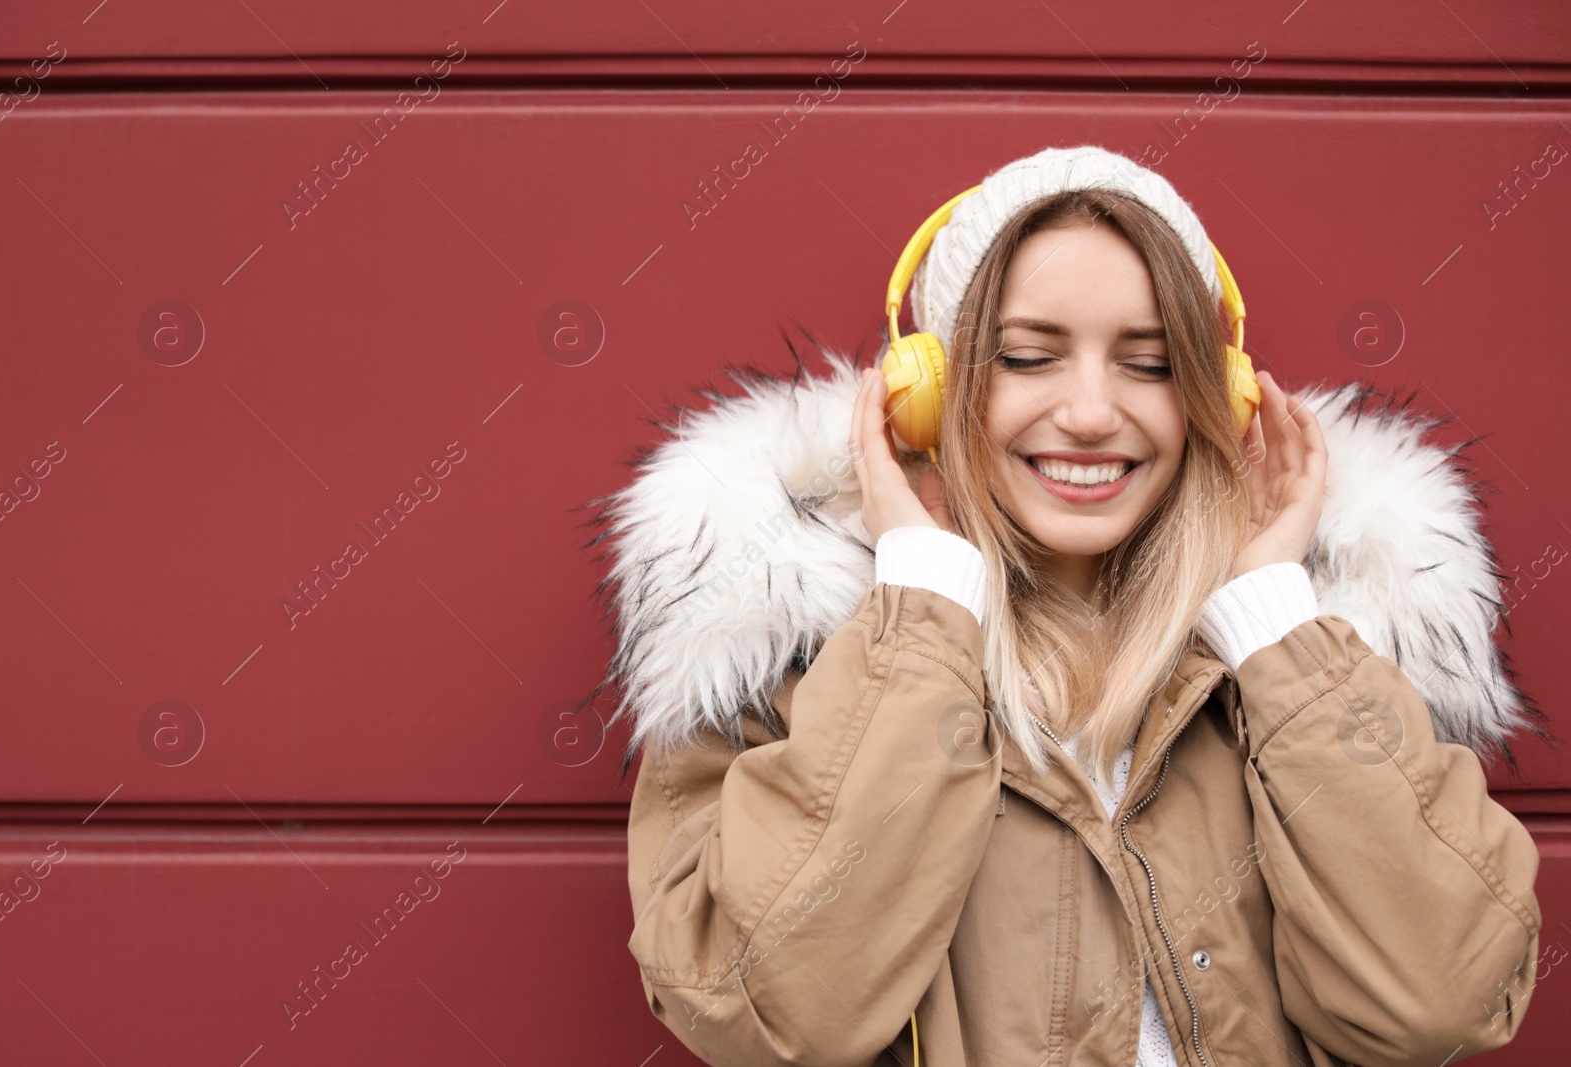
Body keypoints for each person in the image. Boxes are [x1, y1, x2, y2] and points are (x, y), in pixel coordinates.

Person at [593, 145, 1546, 1066]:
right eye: (1027, 356)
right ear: (928, 392)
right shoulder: (790, 665)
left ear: (1216, 393)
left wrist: (1269, 615)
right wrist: (925, 605)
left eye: (1150, 362)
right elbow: (769, 1009)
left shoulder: (1315, 656)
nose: (1092, 412)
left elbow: (1444, 1004)